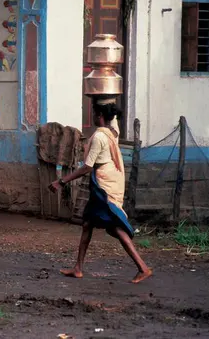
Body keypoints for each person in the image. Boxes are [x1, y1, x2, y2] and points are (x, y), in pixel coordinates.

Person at [49, 100, 152, 284]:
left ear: (100, 116)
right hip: (108, 182)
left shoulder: (99, 137)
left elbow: (87, 168)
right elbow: (114, 121)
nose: (93, 117)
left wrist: (62, 181)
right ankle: (78, 268)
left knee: (115, 226)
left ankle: (142, 267)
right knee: (88, 223)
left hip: (104, 187)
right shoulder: (113, 132)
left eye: (95, 113)